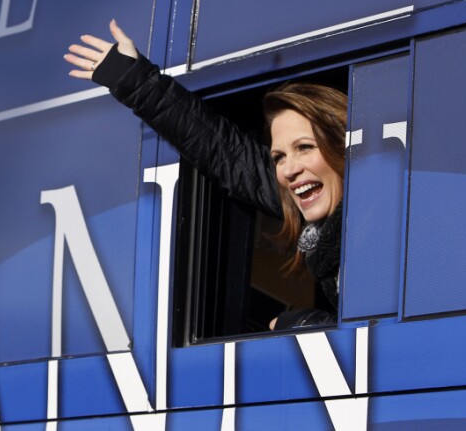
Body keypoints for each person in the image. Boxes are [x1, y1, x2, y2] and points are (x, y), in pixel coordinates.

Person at [64, 20, 346, 330]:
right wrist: (136, 82)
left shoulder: (393, 217)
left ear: (346, 145)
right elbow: (227, 155)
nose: (289, 170)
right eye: (279, 156)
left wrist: (313, 326)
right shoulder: (323, 219)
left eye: (305, 147)